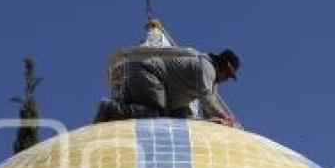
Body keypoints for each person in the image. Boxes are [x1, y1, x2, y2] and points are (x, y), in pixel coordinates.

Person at [94, 49, 240, 124]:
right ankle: (109, 109)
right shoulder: (206, 67)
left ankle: (115, 111)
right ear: (224, 66)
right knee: (158, 117)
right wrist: (224, 116)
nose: (226, 79)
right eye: (228, 75)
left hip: (140, 75)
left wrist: (217, 120)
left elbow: (210, 105)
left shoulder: (211, 82)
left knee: (175, 120)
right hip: (147, 74)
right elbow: (206, 98)